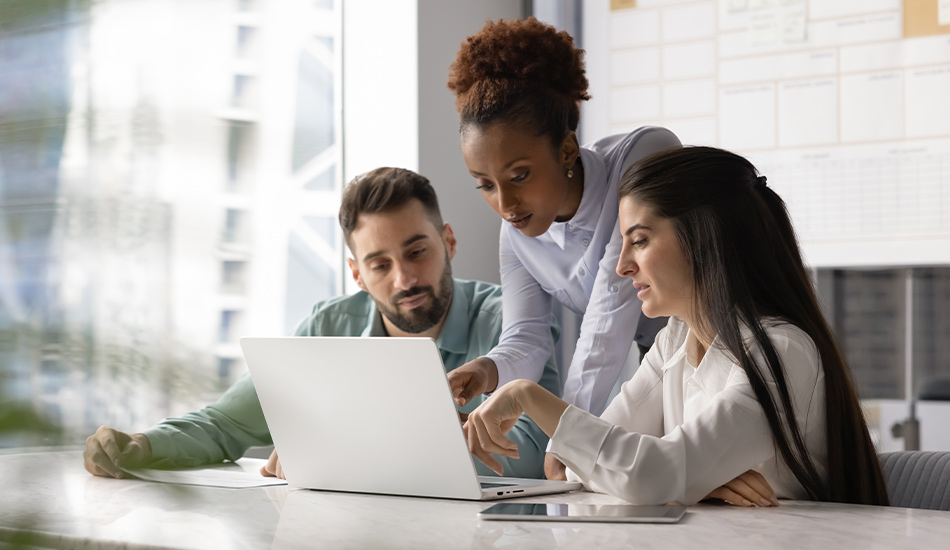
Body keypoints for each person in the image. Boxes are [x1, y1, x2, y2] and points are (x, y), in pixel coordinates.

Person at [462, 146, 891, 507]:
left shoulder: (781, 349)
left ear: (704, 238)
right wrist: (697, 485)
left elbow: (650, 474)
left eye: (641, 240)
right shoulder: (674, 341)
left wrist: (525, 395)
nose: (622, 265)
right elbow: (571, 466)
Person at [83, 167, 559, 480]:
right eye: (379, 264)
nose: (406, 277)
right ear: (357, 273)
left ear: (448, 242)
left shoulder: (514, 322)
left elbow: (535, 454)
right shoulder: (330, 324)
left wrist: (339, 454)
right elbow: (226, 424)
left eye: (417, 251)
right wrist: (142, 445)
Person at [445, 17, 681, 479]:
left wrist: (565, 434)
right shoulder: (518, 235)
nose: (506, 204)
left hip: (731, 352)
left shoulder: (641, 156)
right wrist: (487, 371)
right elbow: (527, 337)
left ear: (568, 149)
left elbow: (609, 317)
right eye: (485, 186)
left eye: (519, 176)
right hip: (662, 369)